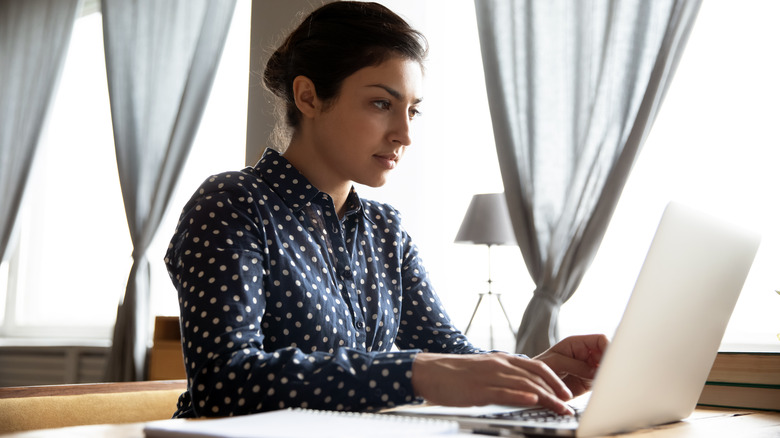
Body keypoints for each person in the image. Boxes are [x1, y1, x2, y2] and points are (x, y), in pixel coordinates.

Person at [165, 1, 607, 419]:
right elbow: (222, 381)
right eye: (382, 104)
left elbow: (448, 352)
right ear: (308, 97)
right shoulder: (233, 204)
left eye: (412, 111)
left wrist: (532, 370)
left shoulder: (384, 229)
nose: (404, 134)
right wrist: (414, 372)